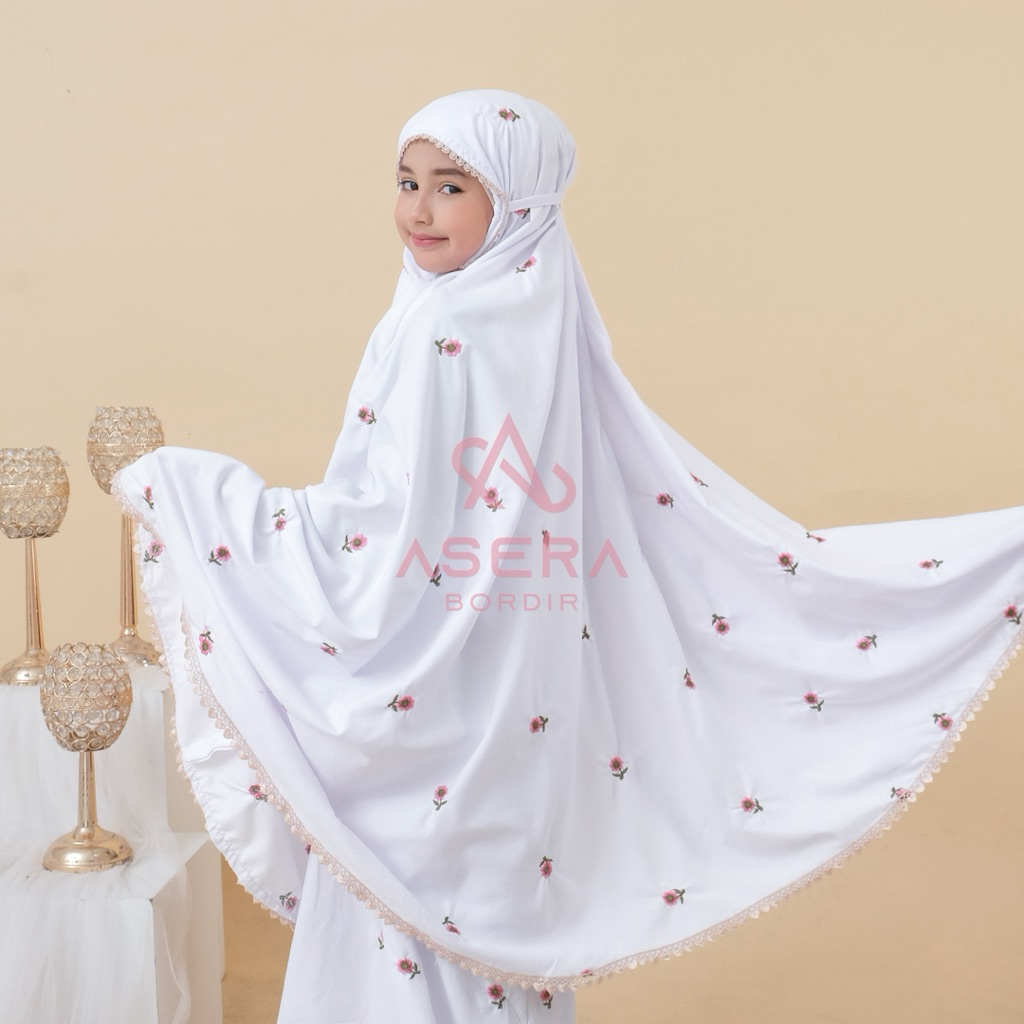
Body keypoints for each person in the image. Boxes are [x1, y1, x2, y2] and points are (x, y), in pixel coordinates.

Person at [115, 90, 1024, 1023]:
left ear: (516, 201)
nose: (418, 210)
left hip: (441, 701)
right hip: (519, 697)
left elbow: (381, 538)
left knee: (412, 909)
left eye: (451, 186)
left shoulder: (443, 329)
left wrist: (194, 497)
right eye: (406, 182)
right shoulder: (539, 310)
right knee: (491, 917)